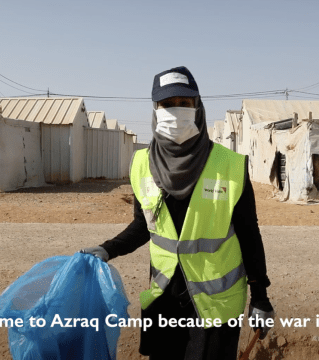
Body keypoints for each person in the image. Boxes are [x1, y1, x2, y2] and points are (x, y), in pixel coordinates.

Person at [81, 66, 274, 360]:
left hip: (215, 305)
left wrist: (260, 296)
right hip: (164, 299)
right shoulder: (142, 163)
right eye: (167, 104)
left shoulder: (230, 165)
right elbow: (144, 226)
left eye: (184, 103)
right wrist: (107, 249)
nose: (176, 110)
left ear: (197, 106)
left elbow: (249, 234)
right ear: (155, 109)